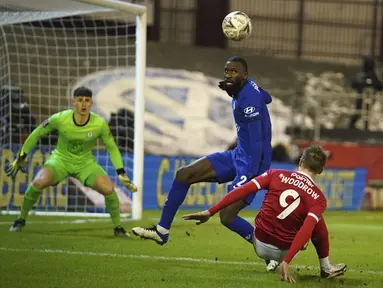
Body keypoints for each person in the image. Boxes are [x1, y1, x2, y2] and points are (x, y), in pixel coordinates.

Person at [132, 55, 276, 268]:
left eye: (234, 72)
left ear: (244, 75)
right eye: (227, 71)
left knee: (227, 217)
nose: (228, 75)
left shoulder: (249, 101)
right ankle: (162, 231)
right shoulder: (248, 86)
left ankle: (269, 253)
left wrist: (251, 176)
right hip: (238, 155)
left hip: (253, 163)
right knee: (184, 174)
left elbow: (256, 144)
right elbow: (269, 98)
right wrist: (234, 88)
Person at [183, 145, 346, 283]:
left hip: (259, 243)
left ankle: (272, 256)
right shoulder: (319, 198)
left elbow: (242, 191)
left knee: (279, 214)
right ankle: (325, 267)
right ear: (321, 171)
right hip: (287, 251)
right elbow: (307, 229)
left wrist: (211, 211)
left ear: (301, 161)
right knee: (315, 219)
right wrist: (287, 261)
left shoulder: (274, 174)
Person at [6, 86, 137, 236]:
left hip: (85, 163)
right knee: (38, 182)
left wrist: (120, 171)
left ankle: (118, 227)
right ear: (73, 102)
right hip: (60, 160)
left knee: (108, 190)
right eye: (80, 100)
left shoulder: (99, 124)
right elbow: (36, 134)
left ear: (91, 103)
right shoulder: (60, 118)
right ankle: (21, 219)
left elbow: (112, 148)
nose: (83, 104)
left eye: (87, 101)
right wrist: (22, 156)